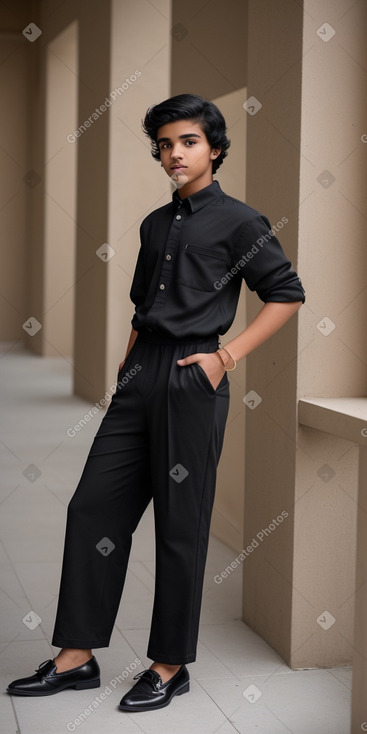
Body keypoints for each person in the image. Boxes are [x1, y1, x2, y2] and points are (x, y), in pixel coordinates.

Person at [7, 93, 305, 712]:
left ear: (215, 148)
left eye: (188, 141)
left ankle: (169, 665)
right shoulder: (153, 222)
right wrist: (128, 362)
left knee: (179, 525)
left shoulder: (242, 222)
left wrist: (224, 360)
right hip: (141, 376)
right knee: (92, 510)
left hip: (194, 376)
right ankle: (77, 657)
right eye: (166, 144)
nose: (175, 153)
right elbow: (147, 302)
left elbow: (286, 293)